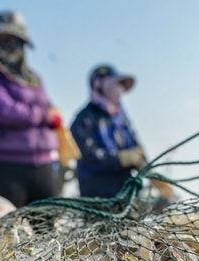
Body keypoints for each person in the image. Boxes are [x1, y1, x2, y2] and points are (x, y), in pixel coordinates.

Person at [0, 11, 62, 207]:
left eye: (12, 39)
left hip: (44, 166)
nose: (6, 44)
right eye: (0, 38)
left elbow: (48, 106)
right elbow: (3, 110)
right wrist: (42, 116)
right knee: (5, 233)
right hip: (6, 167)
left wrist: (53, 116)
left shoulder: (34, 77)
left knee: (48, 229)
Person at [70, 64, 172, 199]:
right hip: (96, 193)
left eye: (121, 86)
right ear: (99, 86)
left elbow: (137, 149)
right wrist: (119, 159)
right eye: (114, 85)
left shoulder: (122, 119)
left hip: (126, 190)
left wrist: (151, 174)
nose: (119, 90)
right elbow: (86, 154)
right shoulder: (84, 118)